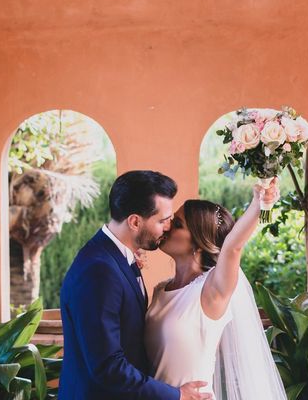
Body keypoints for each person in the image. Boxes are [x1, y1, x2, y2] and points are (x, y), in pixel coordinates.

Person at [59, 170, 213, 400]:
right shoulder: (99, 271)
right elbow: (107, 367)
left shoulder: (118, 258)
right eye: (162, 221)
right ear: (134, 221)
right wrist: (176, 395)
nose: (169, 227)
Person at [145, 179, 288, 400]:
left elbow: (232, 247)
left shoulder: (211, 291)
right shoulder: (160, 290)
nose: (167, 226)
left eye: (178, 225)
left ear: (198, 243)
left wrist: (259, 204)